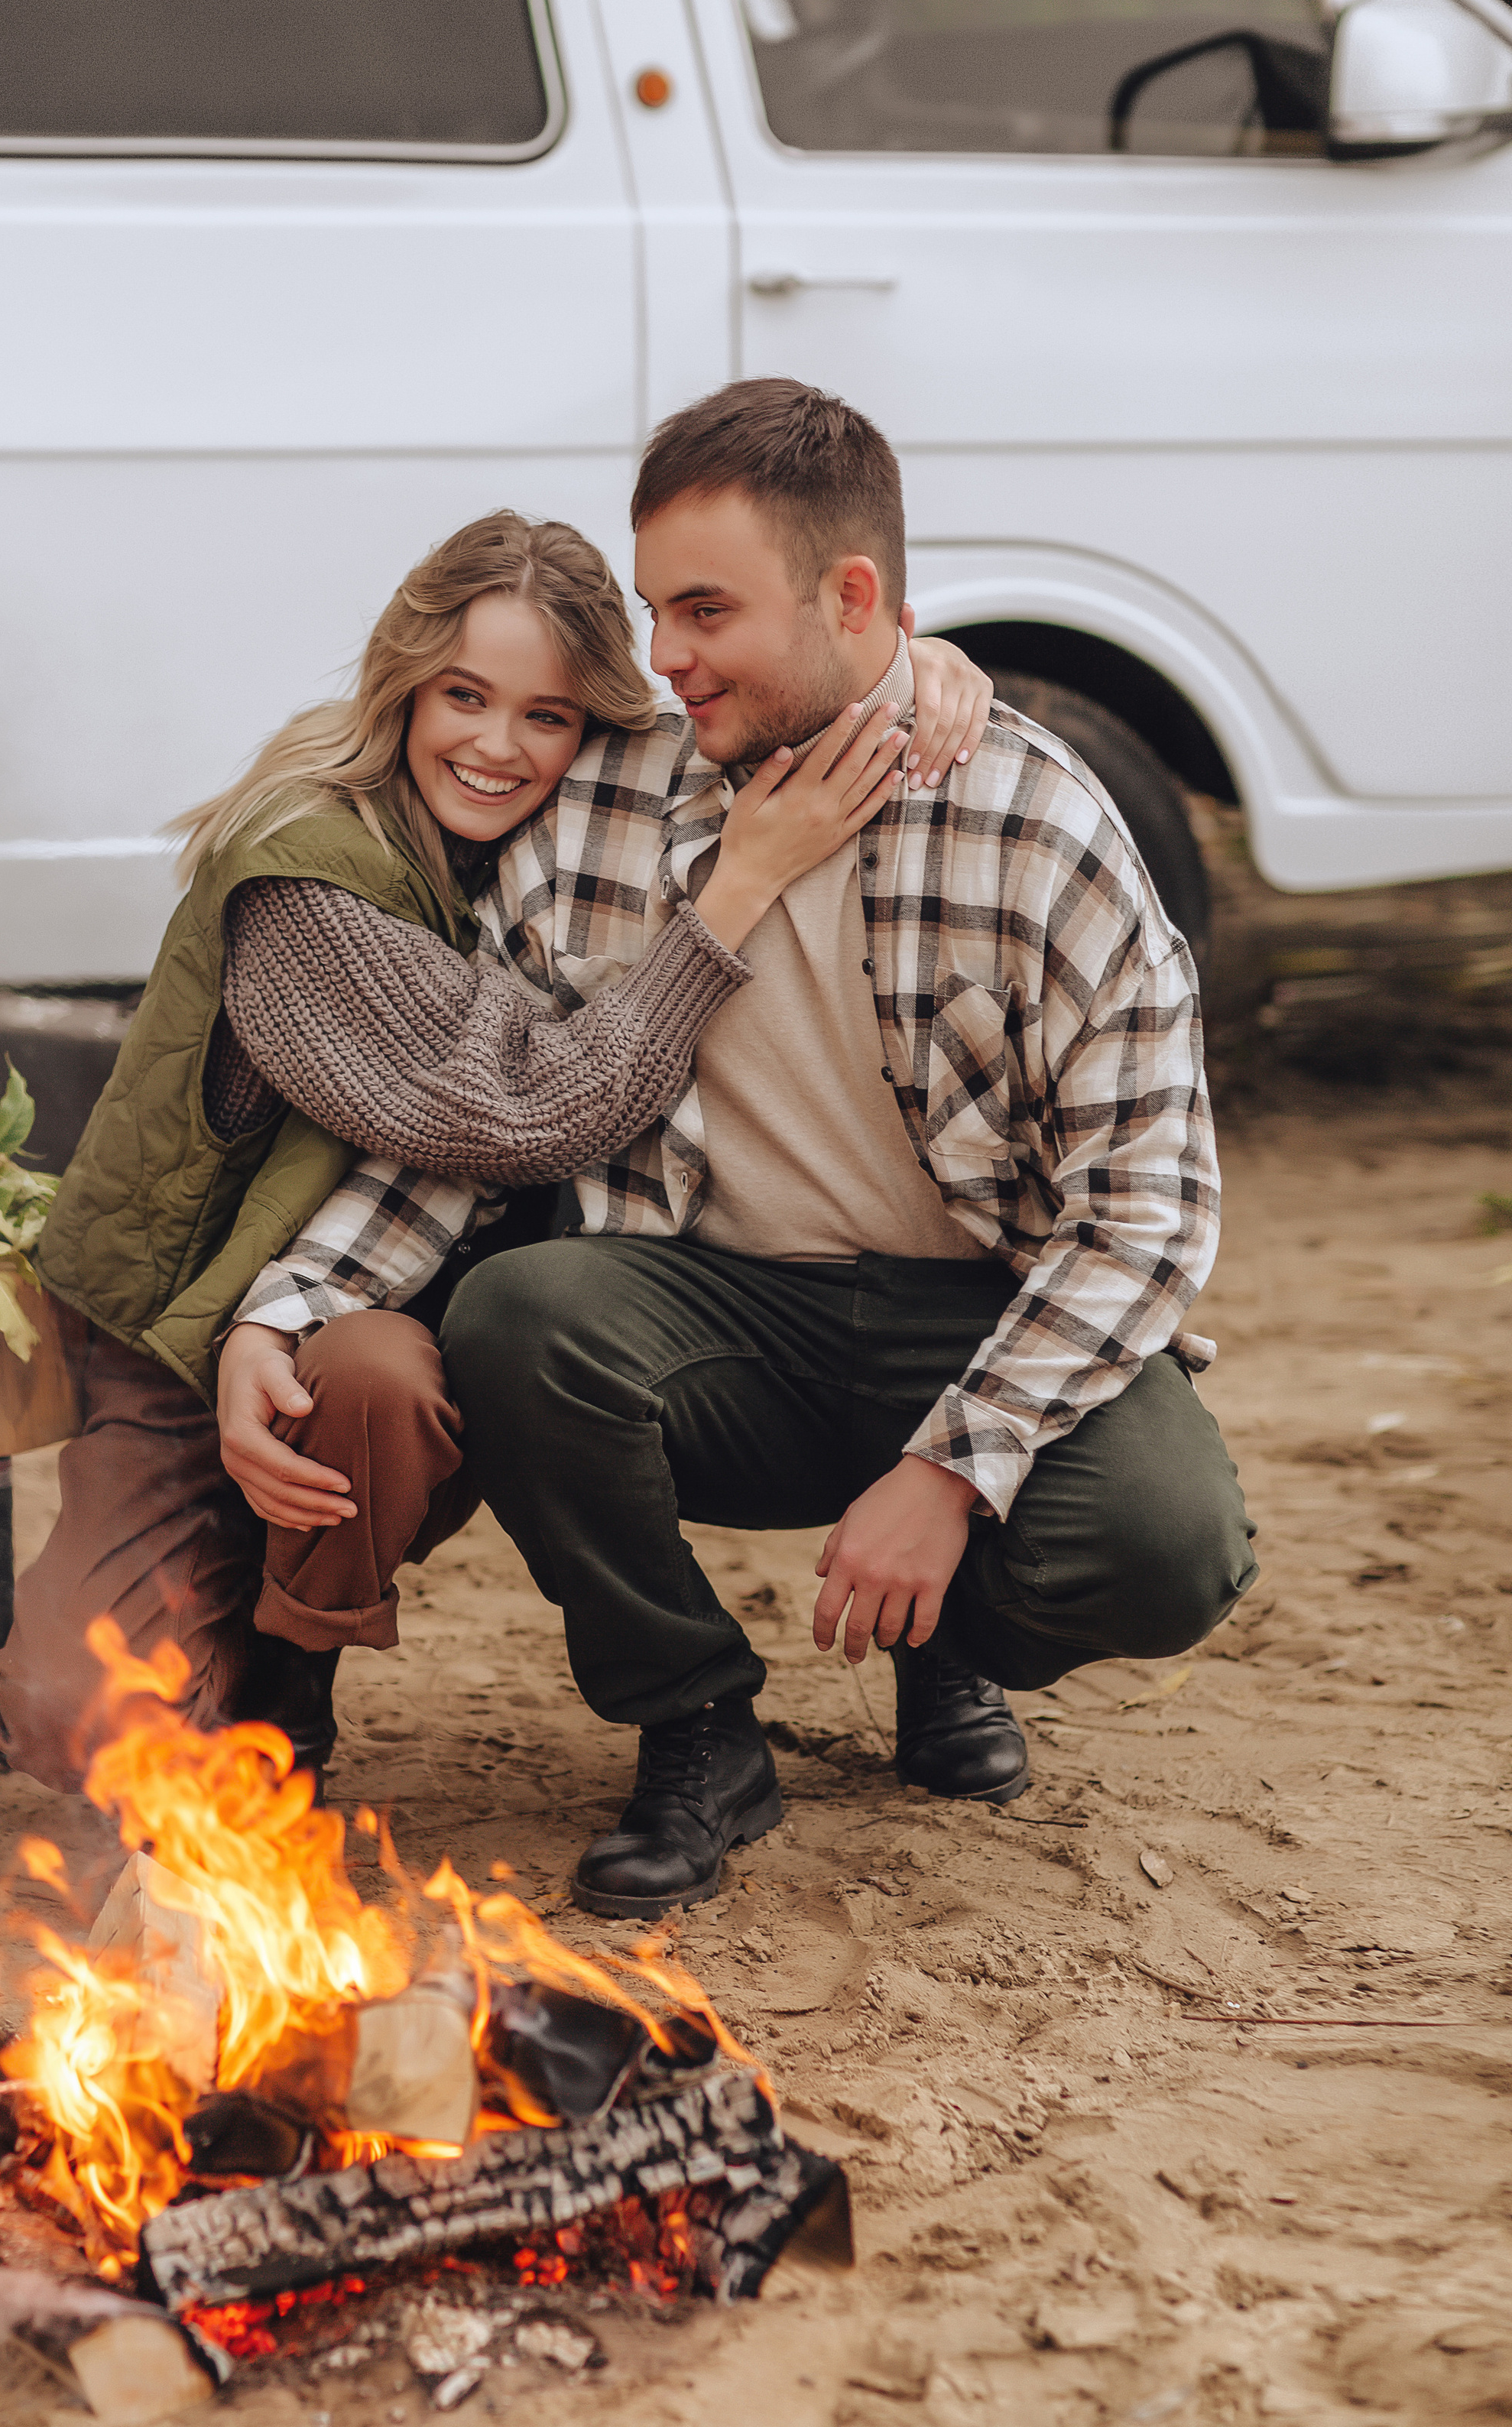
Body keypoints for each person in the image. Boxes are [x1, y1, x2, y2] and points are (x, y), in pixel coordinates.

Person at [219, 380, 1258, 1921]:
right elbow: (486, 1114)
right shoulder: (612, 810)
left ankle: (949, 1637)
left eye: (702, 611)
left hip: (965, 1315)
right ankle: (693, 1717)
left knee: (1165, 1548)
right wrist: (285, 1306)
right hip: (721, 1319)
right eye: (652, 613)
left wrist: (953, 1477)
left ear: (852, 598)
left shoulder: (1035, 825)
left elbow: (1150, 1217)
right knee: (522, 1316)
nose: (662, 660)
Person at [0, 507, 993, 1791]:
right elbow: (523, 1115)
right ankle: (216, 1606)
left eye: (547, 716)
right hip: (197, 1332)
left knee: (384, 1381)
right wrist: (733, 893)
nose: (498, 747)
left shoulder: (546, 813)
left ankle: (295, 1662)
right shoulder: (309, 876)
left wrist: (924, 676)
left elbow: (747, 714)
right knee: (77, 1724)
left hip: (386, 1310)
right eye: (463, 695)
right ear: (405, 680)